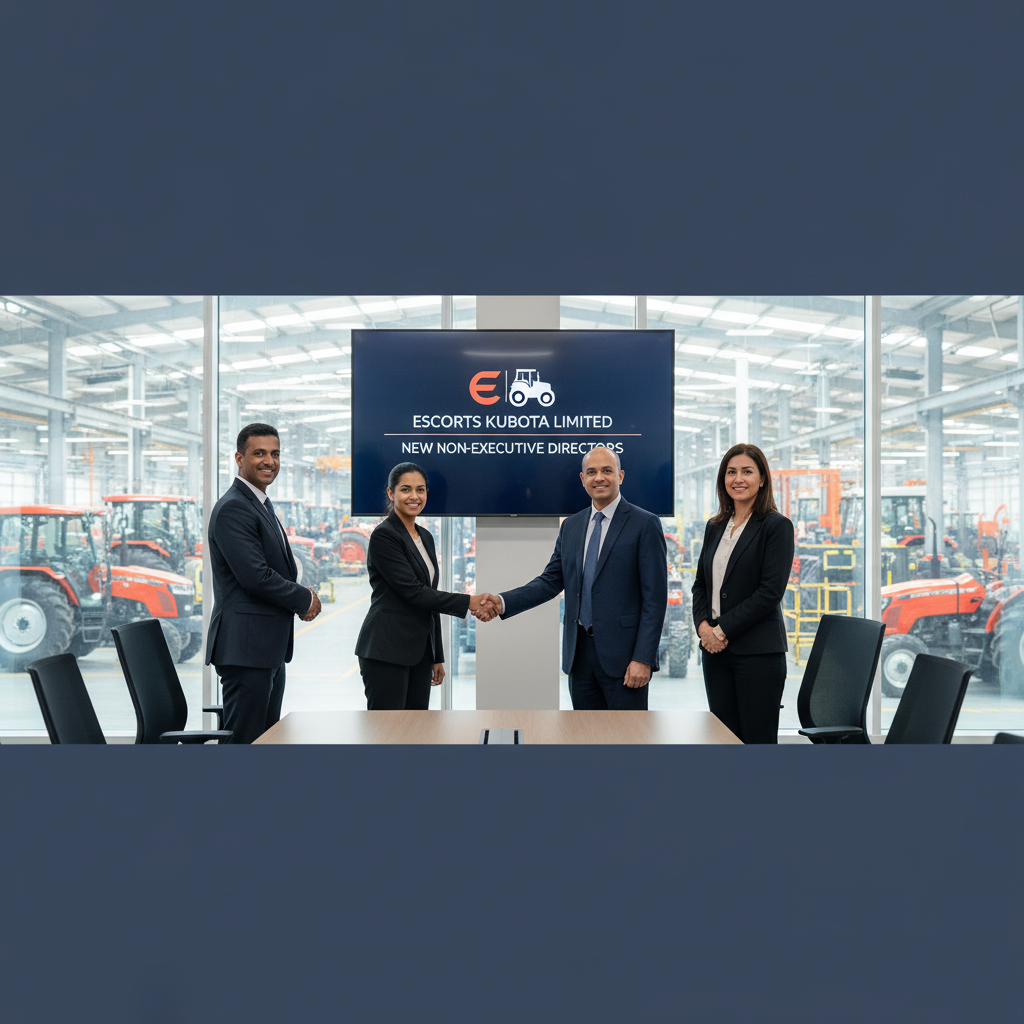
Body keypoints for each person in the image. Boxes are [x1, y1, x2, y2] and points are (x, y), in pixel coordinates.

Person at [477, 446, 667, 709]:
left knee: (627, 743)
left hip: (625, 660)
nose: (598, 478)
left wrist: (643, 658)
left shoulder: (645, 524)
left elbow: (655, 599)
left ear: (620, 476)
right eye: (591, 472)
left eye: (606, 471)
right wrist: (501, 601)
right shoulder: (571, 526)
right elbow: (550, 581)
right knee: (584, 741)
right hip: (579, 658)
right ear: (582, 479)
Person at [205, 423, 322, 743]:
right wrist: (304, 599)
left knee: (265, 738)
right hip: (246, 649)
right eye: (259, 453)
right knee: (245, 741)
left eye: (275, 454)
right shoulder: (234, 508)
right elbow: (255, 577)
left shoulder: (258, 504)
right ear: (239, 458)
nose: (269, 461)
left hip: (264, 647)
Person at [355, 462, 496, 709]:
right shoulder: (384, 535)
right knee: (388, 734)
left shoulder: (425, 537)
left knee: (416, 731)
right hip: (386, 650)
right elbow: (414, 592)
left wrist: (436, 656)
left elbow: (428, 602)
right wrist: (469, 601)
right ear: (391, 493)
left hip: (419, 653)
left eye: (420, 490)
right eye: (405, 489)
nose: (414, 496)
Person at [691, 443, 794, 744]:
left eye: (747, 471)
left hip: (758, 655)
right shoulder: (715, 526)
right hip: (715, 655)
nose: (738, 478)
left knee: (757, 743)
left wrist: (721, 630)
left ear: (762, 479)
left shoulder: (776, 526)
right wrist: (703, 629)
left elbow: (769, 592)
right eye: (731, 472)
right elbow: (701, 585)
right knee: (724, 741)